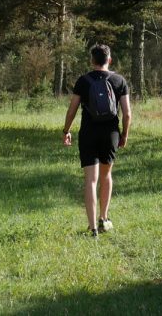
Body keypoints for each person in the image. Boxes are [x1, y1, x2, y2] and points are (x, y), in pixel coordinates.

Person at [62, 43, 131, 236]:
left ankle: (93, 228)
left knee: (90, 181)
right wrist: (124, 134)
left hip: (88, 133)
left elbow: (72, 110)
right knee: (106, 175)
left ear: (92, 61)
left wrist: (66, 130)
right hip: (110, 133)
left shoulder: (83, 81)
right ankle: (104, 218)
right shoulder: (119, 80)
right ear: (109, 60)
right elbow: (127, 114)